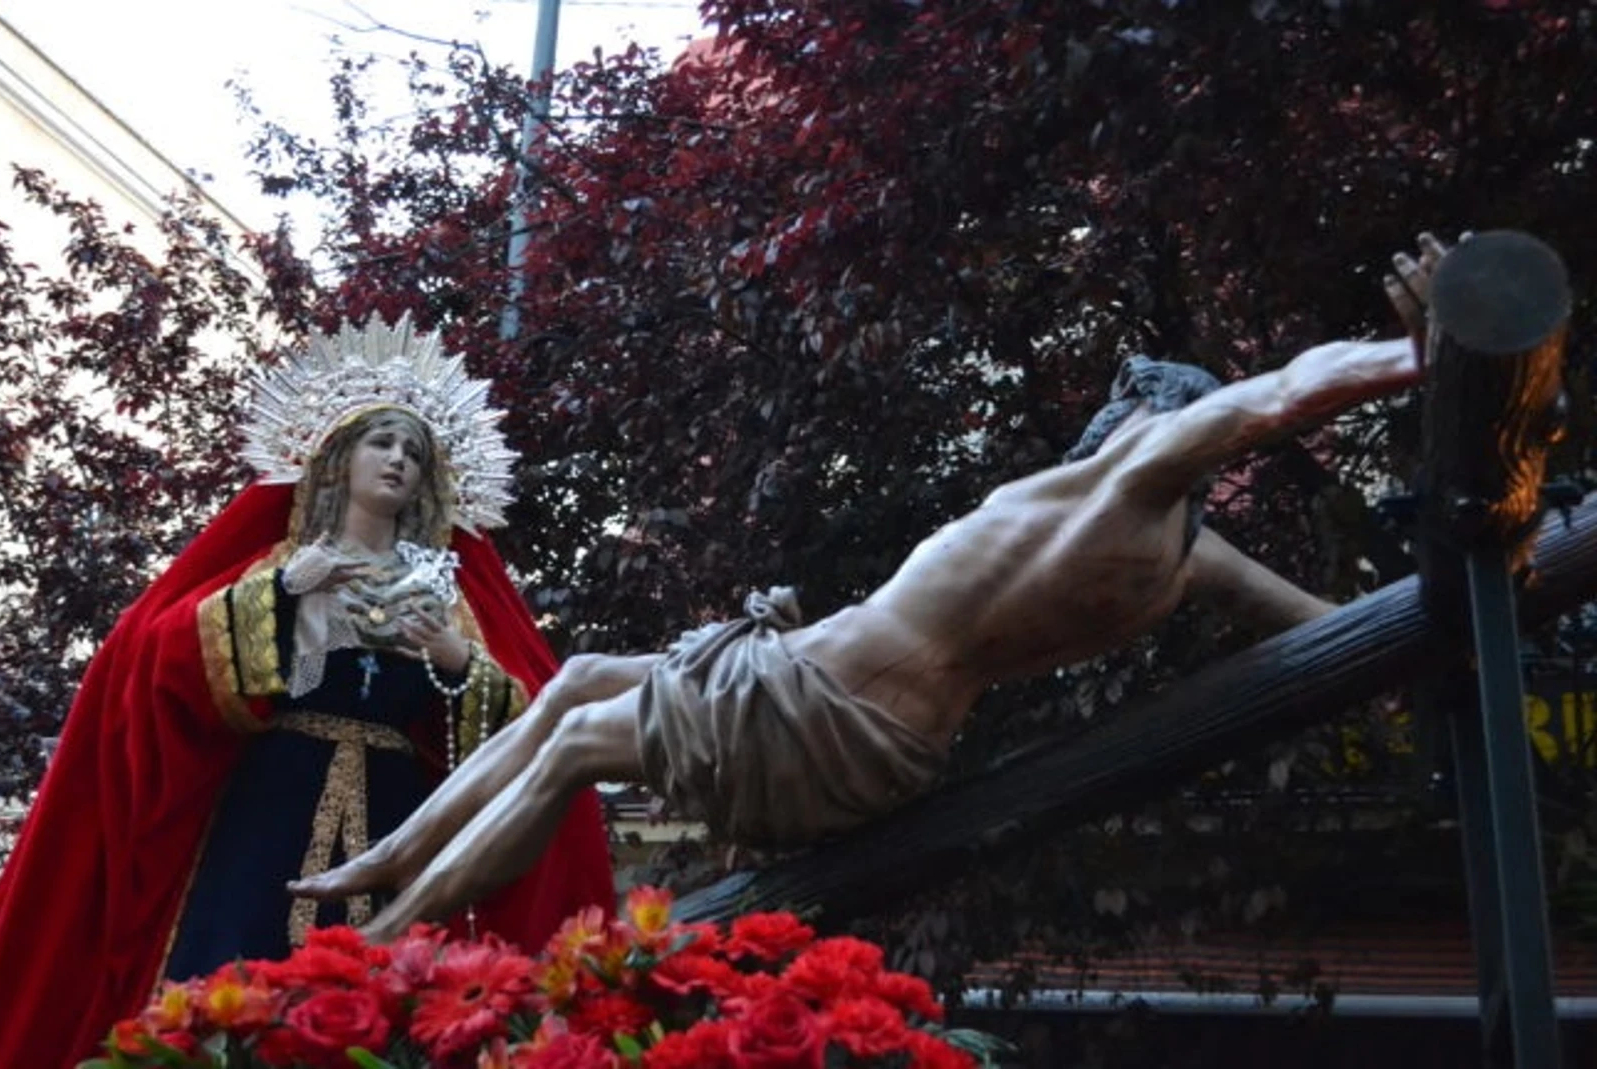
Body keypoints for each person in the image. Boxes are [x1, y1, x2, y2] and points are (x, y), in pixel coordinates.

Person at [291, 234, 1453, 942]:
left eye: (1139, 414)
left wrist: (1414, 358)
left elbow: (1277, 392)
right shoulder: (1182, 555)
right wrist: (1419, 662)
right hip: (830, 687)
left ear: (1157, 423)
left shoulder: (1126, 483)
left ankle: (390, 928)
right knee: (585, 682)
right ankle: (380, 867)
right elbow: (1330, 630)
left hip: (833, 710)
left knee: (574, 745)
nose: (1115, 425)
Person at [0, 319, 613, 1069]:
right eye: (382, 442)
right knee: (230, 981)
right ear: (340, 458)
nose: (398, 461)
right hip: (268, 804)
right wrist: (283, 594)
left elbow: (528, 729)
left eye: (413, 451)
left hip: (396, 817)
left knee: (396, 1002)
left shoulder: (450, 590)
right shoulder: (280, 564)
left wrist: (454, 660)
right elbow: (155, 655)